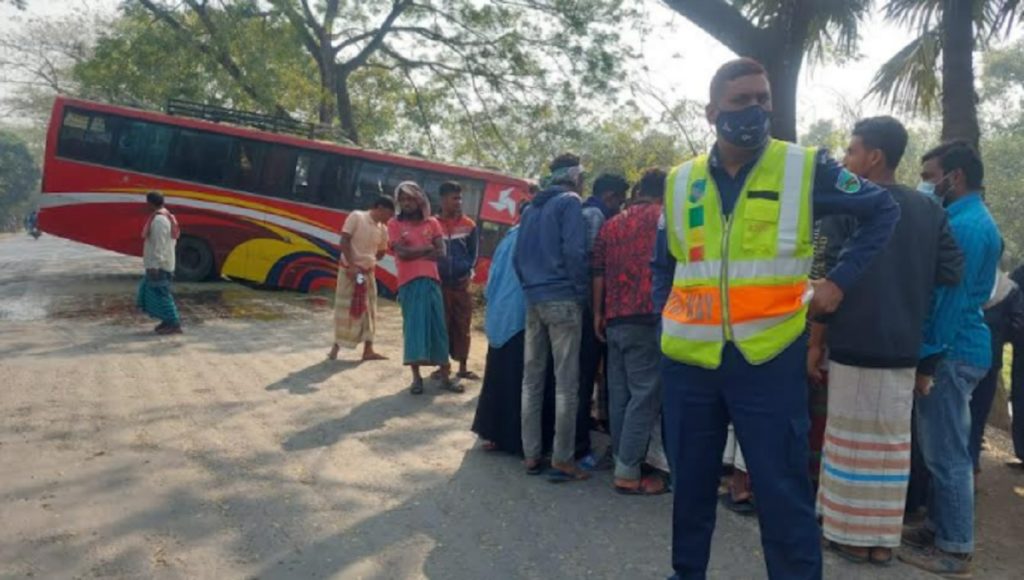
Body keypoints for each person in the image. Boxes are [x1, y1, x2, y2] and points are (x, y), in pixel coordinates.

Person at [651, 58, 900, 580]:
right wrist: (663, 322)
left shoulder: (805, 168)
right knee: (689, 489)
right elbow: (664, 264)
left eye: (762, 99)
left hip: (768, 358)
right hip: (689, 363)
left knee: (782, 493)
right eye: (741, 100)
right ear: (712, 112)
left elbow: (883, 210)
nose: (755, 109)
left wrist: (839, 281)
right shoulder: (680, 181)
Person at [807, 116, 964, 566]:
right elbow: (952, 271)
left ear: (874, 157)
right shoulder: (930, 209)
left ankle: (850, 537)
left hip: (855, 343)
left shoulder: (851, 207)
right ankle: (880, 542)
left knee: (850, 444)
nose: (846, 160)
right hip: (903, 349)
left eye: (852, 150)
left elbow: (829, 284)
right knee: (889, 449)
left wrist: (815, 345)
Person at [899, 141, 1002, 578]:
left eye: (929, 175)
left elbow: (950, 301)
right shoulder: (964, 219)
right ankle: (938, 528)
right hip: (957, 347)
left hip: (952, 350)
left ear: (953, 177)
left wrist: (928, 358)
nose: (925, 183)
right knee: (939, 446)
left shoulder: (967, 228)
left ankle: (955, 549)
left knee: (948, 453)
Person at [592, 168, 667, 494]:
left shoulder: (612, 224)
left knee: (620, 395)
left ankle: (621, 458)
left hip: (614, 318)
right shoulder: (664, 219)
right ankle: (628, 470)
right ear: (664, 193)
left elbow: (597, 270)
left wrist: (598, 313)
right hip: (646, 317)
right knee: (645, 395)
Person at [515, 152, 589, 482]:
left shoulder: (531, 209)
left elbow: (518, 257)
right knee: (566, 384)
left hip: (534, 299)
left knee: (531, 380)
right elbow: (575, 251)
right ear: (575, 177)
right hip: (562, 298)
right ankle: (563, 460)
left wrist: (531, 286)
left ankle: (531, 454)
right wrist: (580, 293)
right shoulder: (570, 203)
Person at [472, 220, 555, 454]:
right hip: (521, 316)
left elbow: (492, 279)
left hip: (500, 314)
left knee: (498, 376)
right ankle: (518, 441)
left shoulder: (509, 237)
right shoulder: (536, 237)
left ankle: (493, 434)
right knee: (522, 379)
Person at [387, 181, 461, 395]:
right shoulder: (394, 224)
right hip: (409, 283)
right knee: (413, 328)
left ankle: (445, 377)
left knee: (438, 329)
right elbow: (402, 254)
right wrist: (427, 249)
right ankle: (416, 379)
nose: (406, 203)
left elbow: (441, 252)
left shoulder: (432, 223)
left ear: (420, 200)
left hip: (432, 281)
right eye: (402, 199)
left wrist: (416, 251)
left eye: (410, 199)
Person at [577, 173, 630, 466]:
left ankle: (585, 429)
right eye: (619, 201)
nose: (620, 208)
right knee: (588, 374)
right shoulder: (597, 216)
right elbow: (594, 266)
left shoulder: (581, 210)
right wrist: (597, 310)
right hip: (592, 308)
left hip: (580, 306)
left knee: (583, 374)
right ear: (610, 196)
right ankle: (582, 441)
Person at [969, 270, 1024, 474]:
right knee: (977, 414)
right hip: (993, 355)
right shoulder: (1010, 284)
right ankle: (971, 462)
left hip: (968, 353)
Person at [329, 196, 395, 361]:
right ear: (380, 208)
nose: (389, 218)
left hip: (367, 273)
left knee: (369, 310)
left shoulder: (383, 229)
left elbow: (381, 252)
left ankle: (368, 350)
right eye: (388, 214)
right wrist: (352, 265)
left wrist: (369, 260)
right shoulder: (357, 216)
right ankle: (335, 348)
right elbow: (344, 240)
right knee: (344, 309)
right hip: (349, 272)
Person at [436, 181, 481, 380]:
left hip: (461, 285)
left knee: (463, 325)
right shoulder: (432, 224)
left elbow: (474, 255)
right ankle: (442, 367)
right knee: (441, 325)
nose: (458, 202)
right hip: (439, 285)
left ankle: (462, 367)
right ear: (443, 199)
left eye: (460, 198)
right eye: (454, 198)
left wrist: (466, 272)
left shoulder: (469, 225)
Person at [137, 191, 183, 335]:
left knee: (162, 295)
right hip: (163, 263)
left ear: (150, 203)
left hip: (160, 266)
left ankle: (174, 324)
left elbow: (159, 244)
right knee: (152, 292)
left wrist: (155, 265)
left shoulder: (159, 221)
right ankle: (167, 321)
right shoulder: (167, 216)